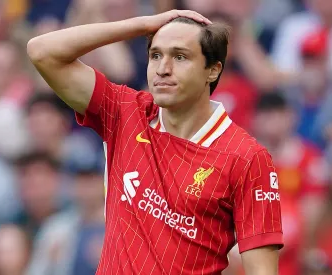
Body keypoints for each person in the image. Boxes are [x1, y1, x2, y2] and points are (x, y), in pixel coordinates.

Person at [28, 10, 283, 274]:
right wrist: (143, 24)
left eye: (180, 57)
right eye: (156, 55)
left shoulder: (247, 157)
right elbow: (42, 51)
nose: (163, 69)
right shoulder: (125, 113)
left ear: (212, 70)